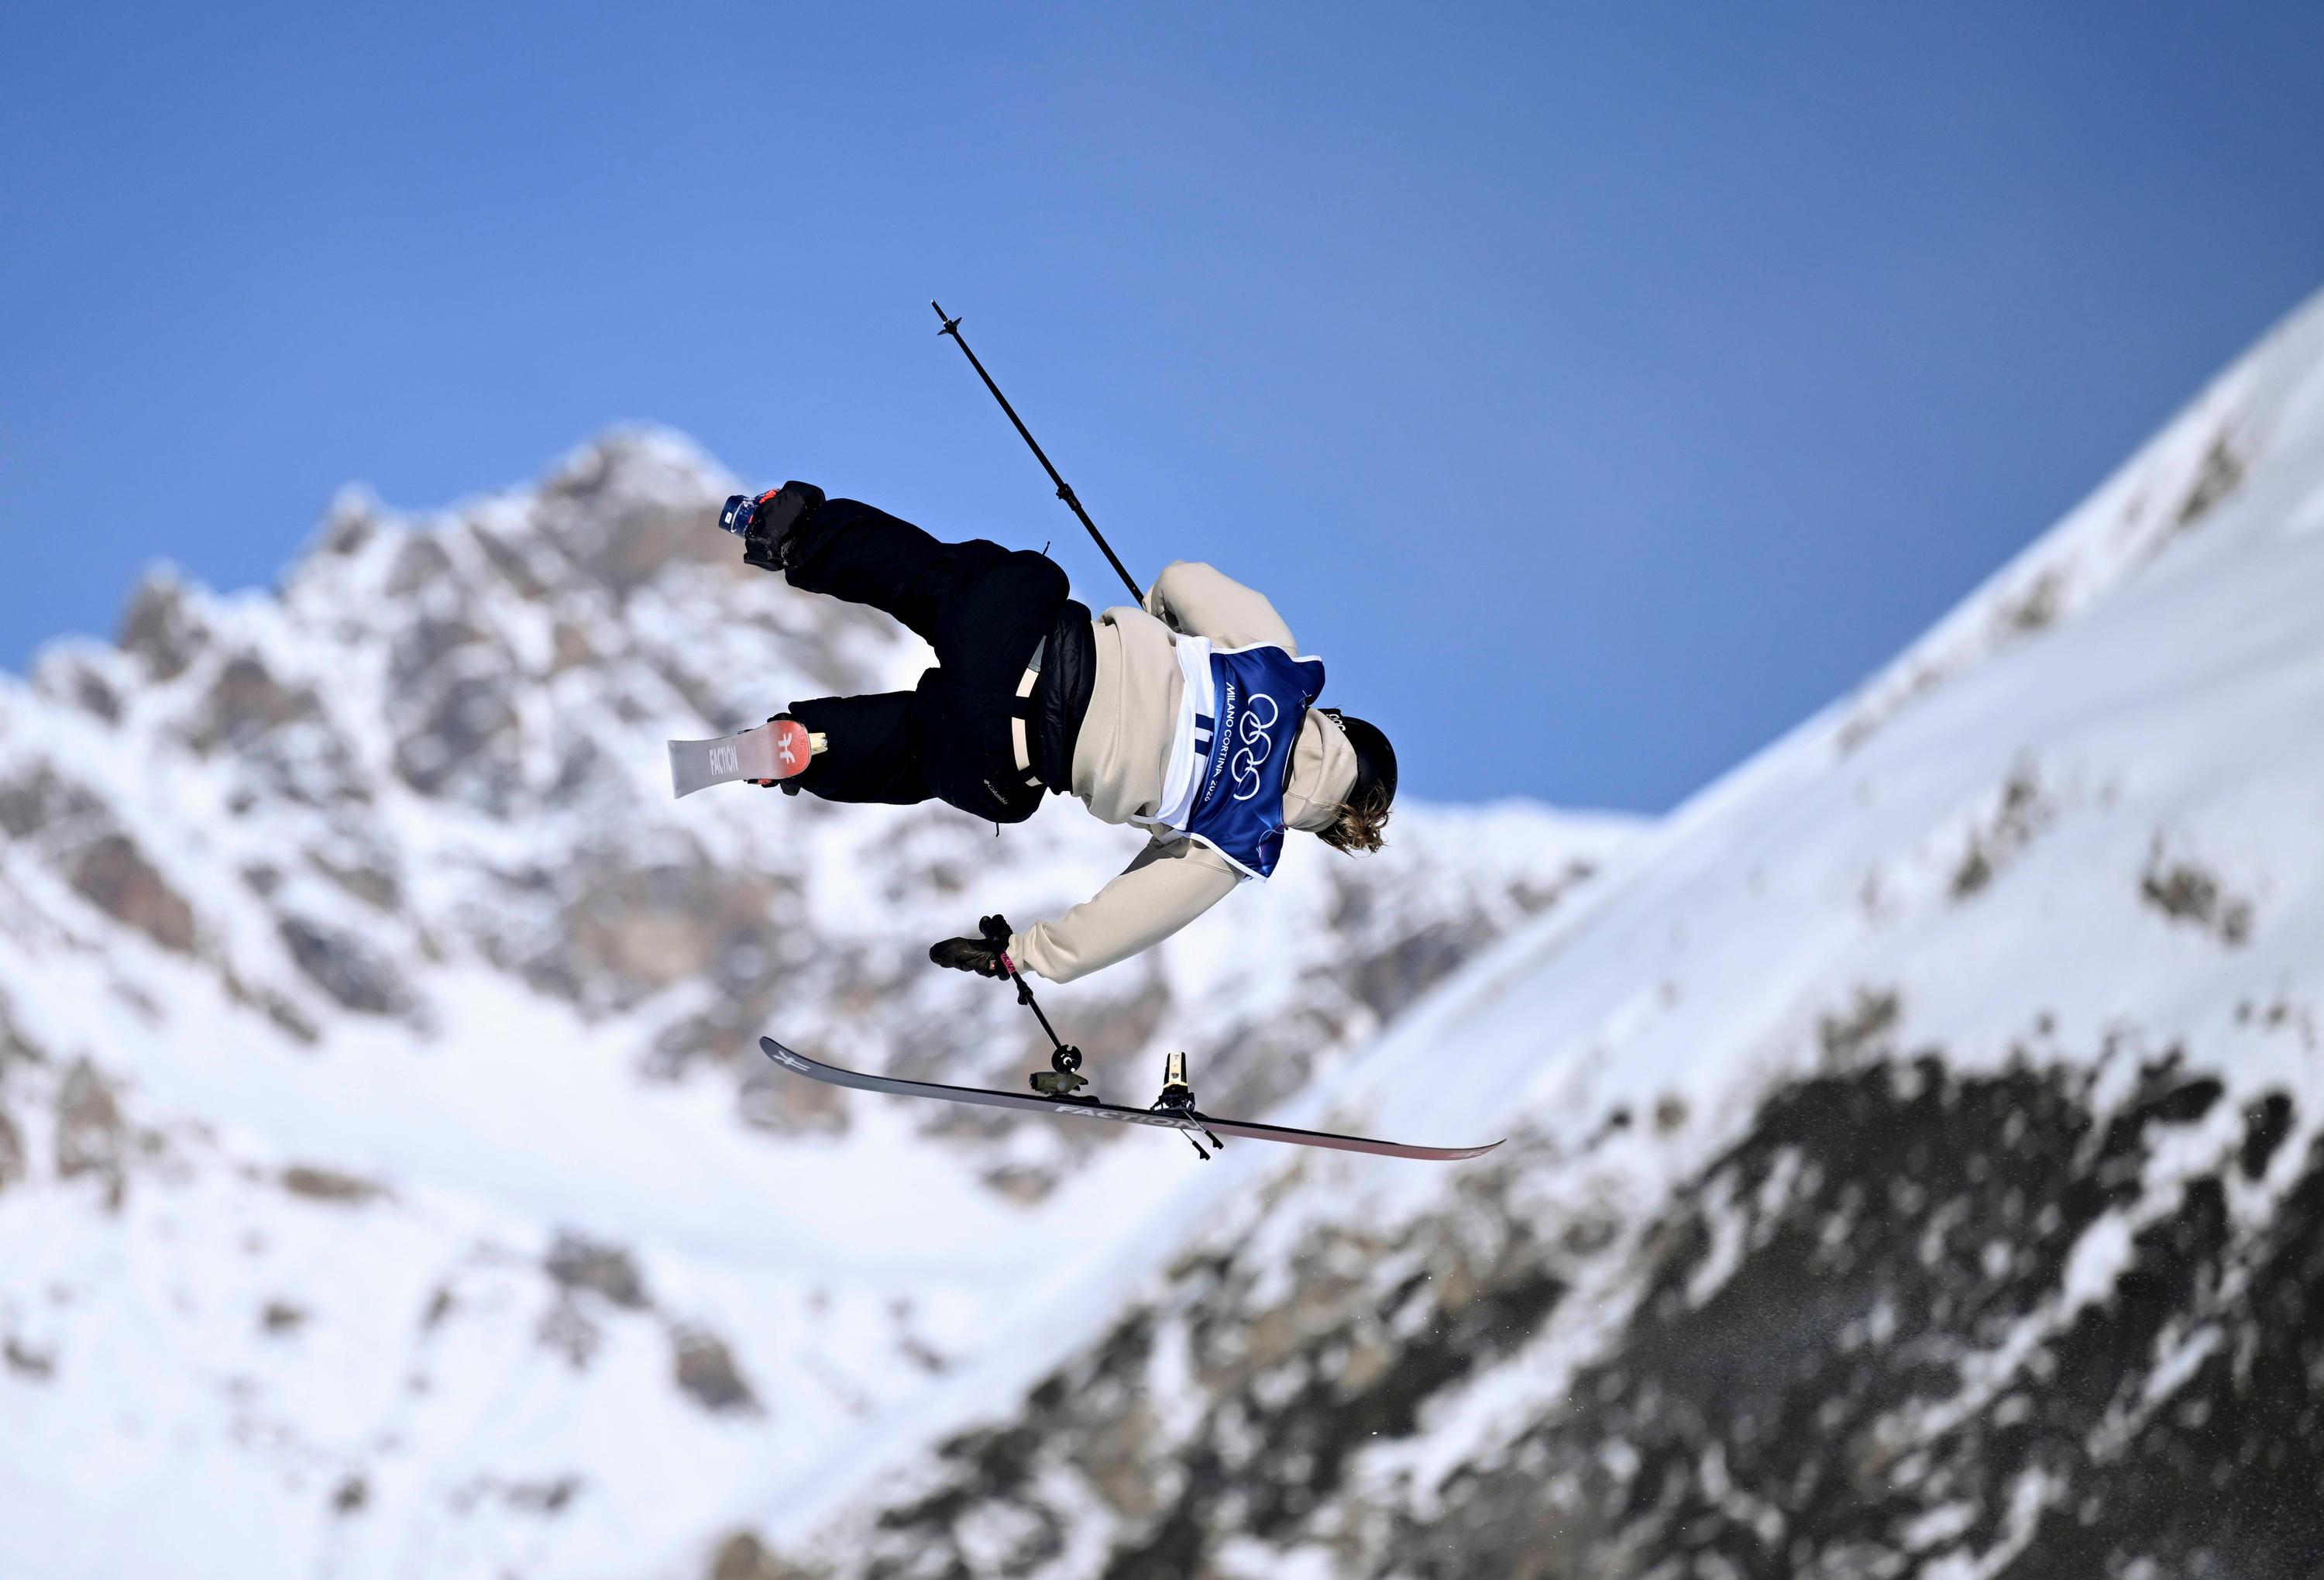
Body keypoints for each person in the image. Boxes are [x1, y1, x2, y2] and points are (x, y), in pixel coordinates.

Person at [720, 482, 1397, 986]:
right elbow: (1128, 917)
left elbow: (1182, 580)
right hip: (1003, 748)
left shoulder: (1278, 663)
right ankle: (809, 746)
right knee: (918, 754)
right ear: (1332, 825)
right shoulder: (1239, 840)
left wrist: (1157, 630)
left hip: (1026, 635)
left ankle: (796, 529)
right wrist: (1021, 953)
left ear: (1338, 725)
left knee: (936, 578)